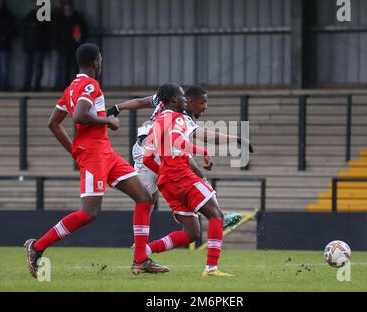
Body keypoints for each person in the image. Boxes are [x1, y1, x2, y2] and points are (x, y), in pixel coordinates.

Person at [23, 43, 169, 278]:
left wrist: (74, 150)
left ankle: (140, 260)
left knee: (144, 197)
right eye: (100, 60)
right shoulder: (90, 84)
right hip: (94, 156)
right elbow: (80, 115)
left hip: (105, 154)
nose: (101, 64)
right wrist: (107, 122)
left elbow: (54, 122)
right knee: (89, 213)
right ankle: (37, 247)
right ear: (95, 62)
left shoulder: (71, 88)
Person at [107, 86, 250, 229]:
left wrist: (117, 108)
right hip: (152, 151)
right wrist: (235, 139)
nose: (205, 107)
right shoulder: (177, 113)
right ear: (188, 101)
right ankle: (213, 214)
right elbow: (203, 136)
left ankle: (211, 213)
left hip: (155, 150)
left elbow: (142, 102)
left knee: (149, 199)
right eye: (202, 102)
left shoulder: (174, 108)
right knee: (148, 198)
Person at [142, 83, 232, 277]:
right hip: (180, 174)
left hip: (167, 182)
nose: (185, 100)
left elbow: (146, 158)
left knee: (191, 232)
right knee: (216, 215)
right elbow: (177, 140)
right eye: (183, 96)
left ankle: (145, 251)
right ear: (175, 99)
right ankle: (211, 269)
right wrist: (204, 151)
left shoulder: (156, 122)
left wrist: (164, 173)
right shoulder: (179, 118)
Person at [19, 0, 51, 91]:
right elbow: (22, 30)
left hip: (40, 46)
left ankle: (37, 86)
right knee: (29, 67)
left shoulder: (46, 17)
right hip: (30, 46)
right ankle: (27, 85)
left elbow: (48, 32)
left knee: (38, 67)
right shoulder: (29, 16)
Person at [57, 0, 88, 87]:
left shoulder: (78, 18)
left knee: (75, 68)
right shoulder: (60, 18)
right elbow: (55, 33)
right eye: (66, 9)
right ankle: (65, 86)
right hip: (63, 47)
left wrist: (81, 41)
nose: (68, 11)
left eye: (69, 9)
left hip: (75, 47)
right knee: (64, 67)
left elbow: (84, 30)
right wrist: (57, 45)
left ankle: (75, 86)